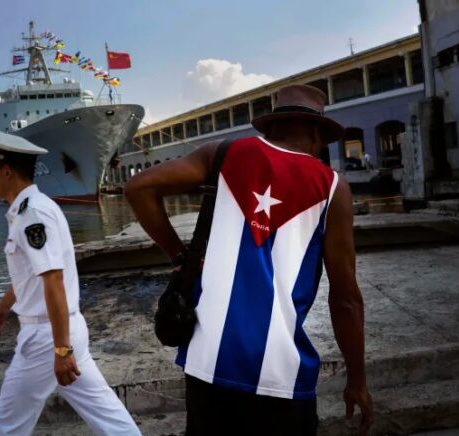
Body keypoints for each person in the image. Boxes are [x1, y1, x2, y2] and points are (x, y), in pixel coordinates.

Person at [124, 84, 373, 436]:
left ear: (270, 127)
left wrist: (179, 258)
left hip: (207, 361)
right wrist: (357, 380)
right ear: (318, 134)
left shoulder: (222, 154)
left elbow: (138, 188)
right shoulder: (332, 187)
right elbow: (346, 298)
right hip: (280, 373)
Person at [0, 127, 140, 436]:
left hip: (47, 336)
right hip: (64, 330)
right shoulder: (32, 210)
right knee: (106, 414)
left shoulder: (32, 214)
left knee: (5, 426)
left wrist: (61, 351)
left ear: (7, 171)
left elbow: (53, 280)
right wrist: (3, 306)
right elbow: (32, 276)